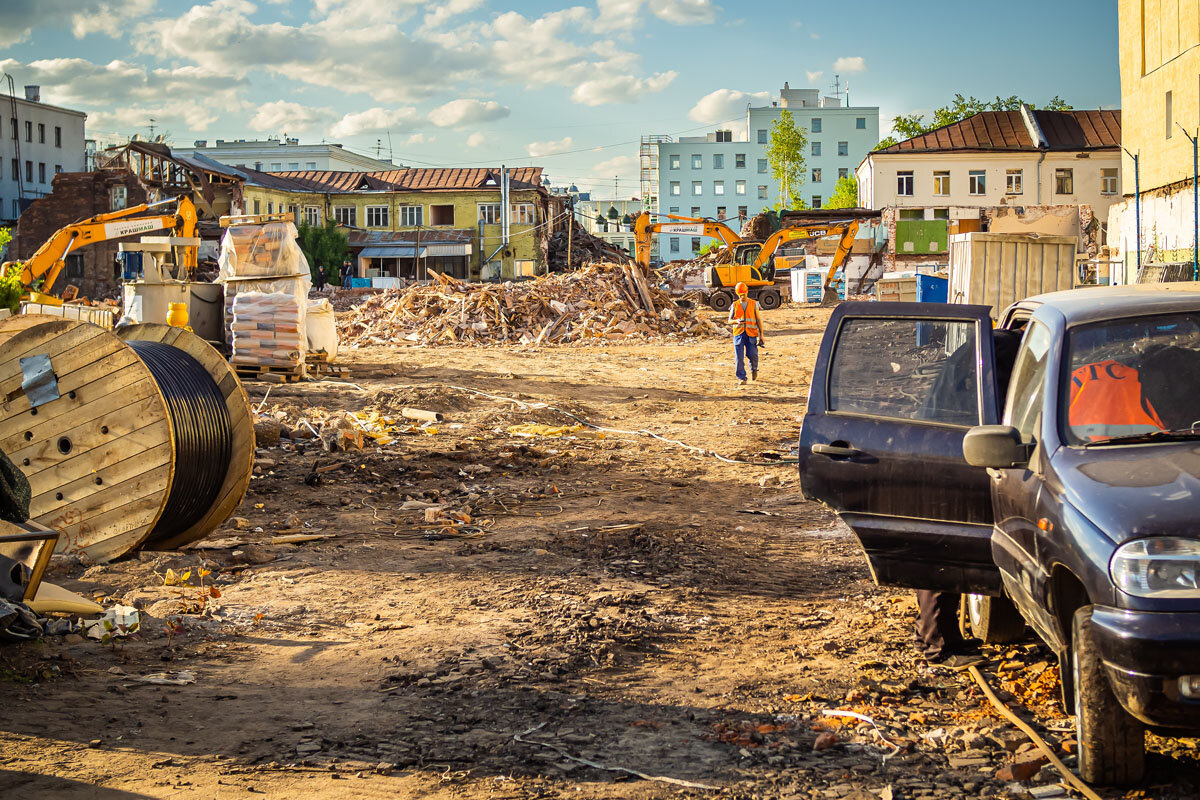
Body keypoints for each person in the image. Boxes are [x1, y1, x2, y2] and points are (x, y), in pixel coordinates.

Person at [916, 327, 1021, 668]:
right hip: (953, 458)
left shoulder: (978, 354)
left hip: (938, 451)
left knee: (940, 548)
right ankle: (940, 646)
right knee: (946, 550)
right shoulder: (1002, 358)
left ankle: (929, 632)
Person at [728, 282, 764, 386]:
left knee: (752, 354)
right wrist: (736, 321)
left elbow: (758, 319)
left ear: (747, 292)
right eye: (740, 295)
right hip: (739, 334)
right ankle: (741, 377)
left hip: (751, 334)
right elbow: (729, 320)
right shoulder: (734, 305)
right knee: (739, 357)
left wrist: (761, 335)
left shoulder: (753, 304)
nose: (741, 297)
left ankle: (754, 369)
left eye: (743, 294)